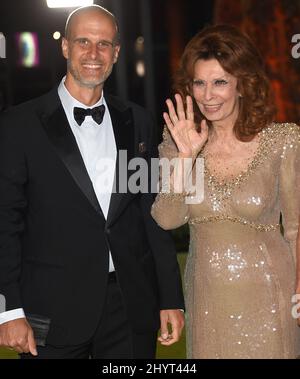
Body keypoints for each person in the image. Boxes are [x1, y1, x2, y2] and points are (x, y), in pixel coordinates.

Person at [0, 5, 184, 359]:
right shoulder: (19, 125)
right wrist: (8, 309)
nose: (93, 54)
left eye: (104, 44)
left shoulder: (138, 121)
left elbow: (152, 215)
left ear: (116, 52)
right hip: (49, 309)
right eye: (83, 41)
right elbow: (5, 223)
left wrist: (170, 299)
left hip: (130, 308)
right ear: (66, 47)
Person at [151, 24, 300, 358]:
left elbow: (296, 227)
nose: (208, 94)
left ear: (243, 85)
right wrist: (186, 158)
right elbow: (167, 218)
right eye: (199, 83)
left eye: (220, 82)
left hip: (271, 293)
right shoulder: (178, 138)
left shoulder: (283, 140)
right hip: (208, 299)